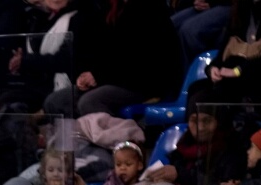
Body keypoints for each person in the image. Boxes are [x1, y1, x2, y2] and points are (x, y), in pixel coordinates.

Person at [43, 0, 179, 117]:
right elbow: (97, 52)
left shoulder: (149, 8)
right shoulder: (107, 8)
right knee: (56, 101)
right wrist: (84, 75)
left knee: (90, 102)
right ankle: (79, 137)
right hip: (110, 79)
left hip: (141, 84)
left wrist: (98, 75)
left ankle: (118, 139)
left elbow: (141, 61)